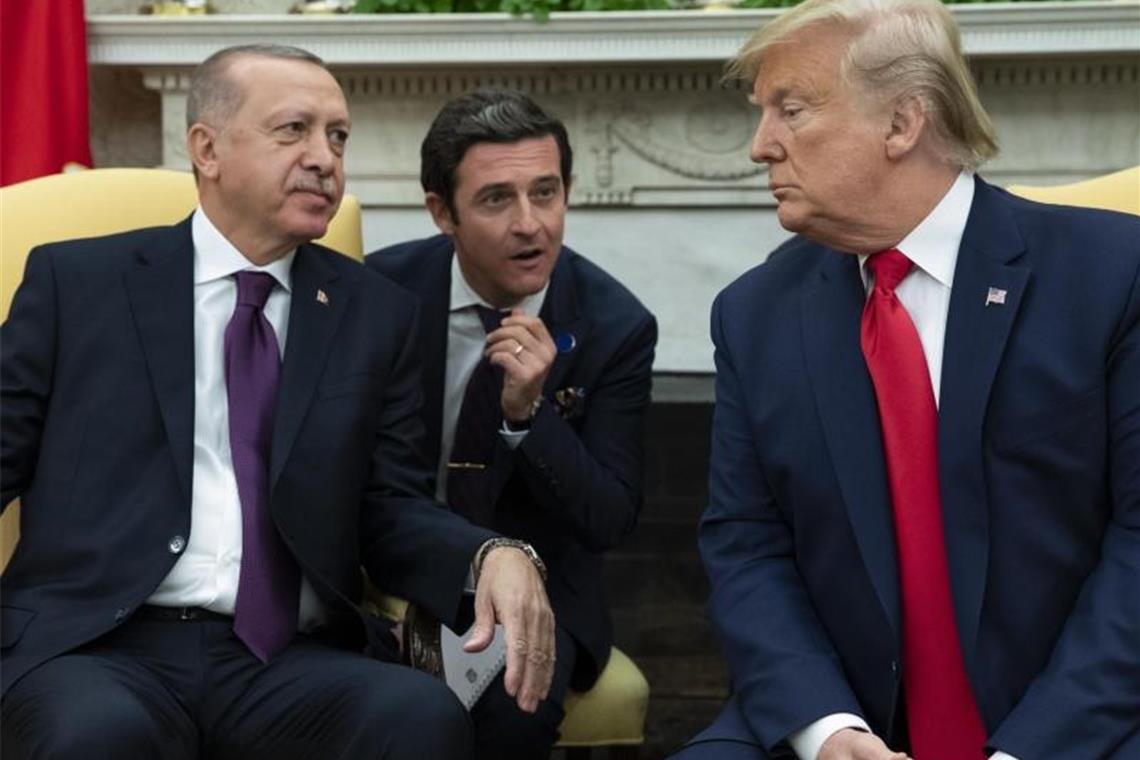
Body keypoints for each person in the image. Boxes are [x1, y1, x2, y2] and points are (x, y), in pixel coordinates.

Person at [0, 45, 556, 760]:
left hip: (286, 659)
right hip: (97, 645)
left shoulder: (374, 314)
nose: (324, 157)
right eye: (293, 130)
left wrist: (492, 555)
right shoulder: (80, 284)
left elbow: (391, 508)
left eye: (338, 136)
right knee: (96, 735)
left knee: (419, 717)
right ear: (207, 148)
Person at [675, 1, 1140, 759]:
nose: (760, 146)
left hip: (1078, 719)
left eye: (790, 110)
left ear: (901, 124)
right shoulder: (754, 316)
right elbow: (745, 545)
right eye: (762, 115)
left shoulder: (1112, 275)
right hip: (842, 716)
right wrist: (827, 730)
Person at [366, 89, 657, 759]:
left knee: (507, 712)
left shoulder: (615, 325)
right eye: (497, 199)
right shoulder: (384, 292)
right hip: (392, 565)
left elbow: (610, 517)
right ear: (443, 211)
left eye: (546, 193)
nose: (532, 224)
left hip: (539, 588)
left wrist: (528, 418)